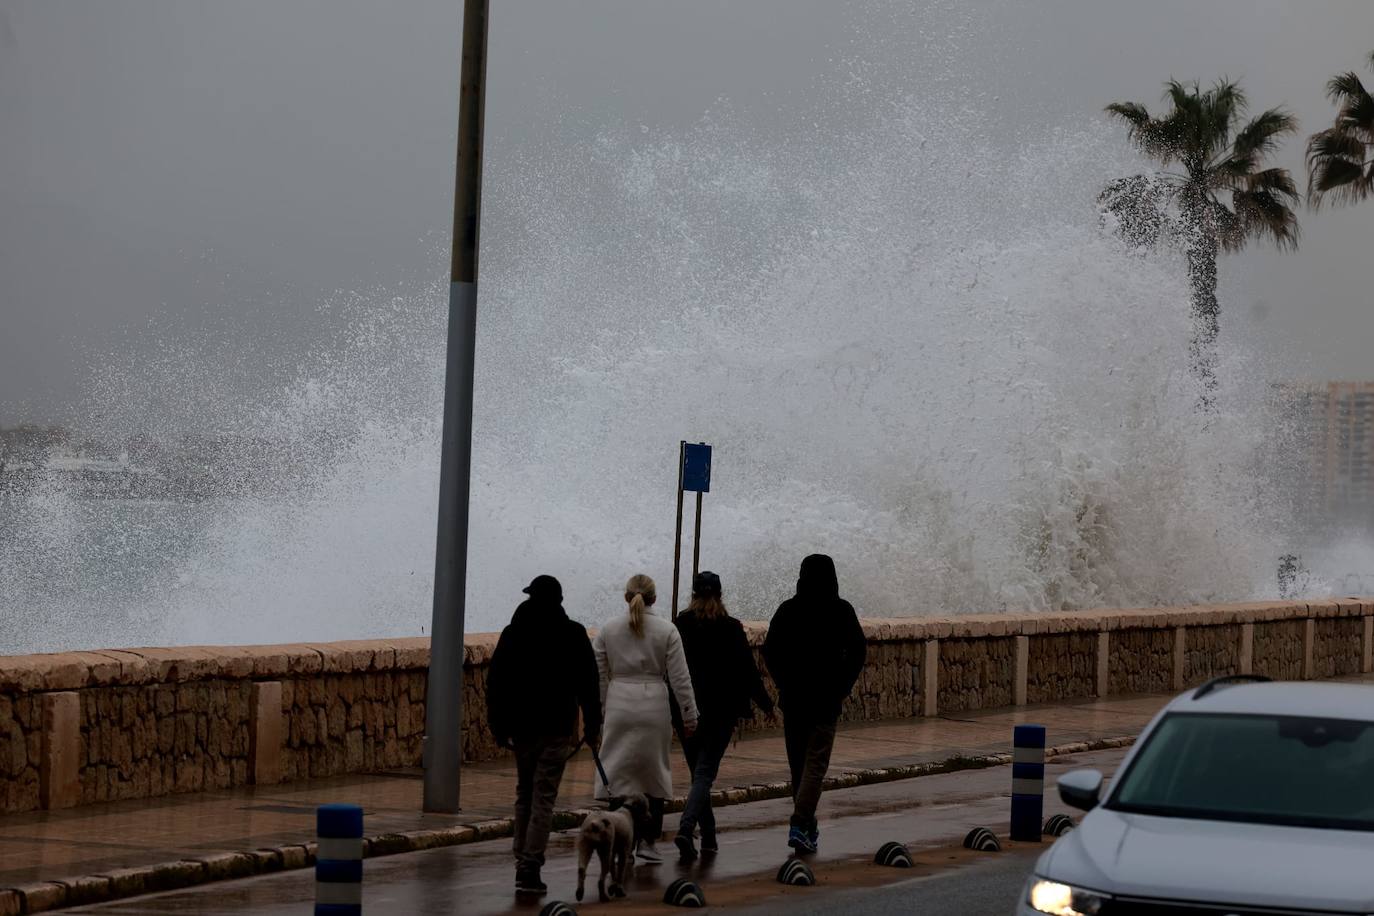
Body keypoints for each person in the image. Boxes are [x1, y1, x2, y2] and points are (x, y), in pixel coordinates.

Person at [487, 575, 602, 896]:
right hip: (557, 729)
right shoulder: (573, 634)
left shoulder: (514, 633)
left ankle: (521, 857)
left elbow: (496, 684)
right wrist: (592, 728)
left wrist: (498, 726)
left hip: (522, 729)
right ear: (559, 600)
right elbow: (589, 687)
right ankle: (530, 863)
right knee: (543, 796)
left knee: (525, 792)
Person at [761, 554, 867, 855]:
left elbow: (770, 650)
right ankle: (800, 822)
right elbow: (858, 652)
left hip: (795, 701)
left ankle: (806, 826)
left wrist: (784, 681)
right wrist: (842, 685)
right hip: (825, 700)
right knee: (815, 766)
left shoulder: (789, 610)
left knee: (799, 766)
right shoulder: (841, 610)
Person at [593, 574, 699, 864]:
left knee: (618, 772)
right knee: (654, 772)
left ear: (627, 597)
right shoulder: (667, 631)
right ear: (654, 598)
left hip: (619, 704)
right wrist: (690, 716)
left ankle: (620, 843)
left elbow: (599, 676)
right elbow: (680, 679)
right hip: (654, 704)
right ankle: (648, 842)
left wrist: (603, 711)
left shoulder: (608, 630)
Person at [671, 570, 775, 863]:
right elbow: (747, 671)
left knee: (698, 774)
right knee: (704, 774)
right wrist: (765, 705)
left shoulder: (680, 625)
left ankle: (710, 835)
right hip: (721, 714)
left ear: (693, 596)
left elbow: (671, 670)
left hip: (687, 711)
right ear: (720, 595)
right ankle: (687, 827)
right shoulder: (730, 628)